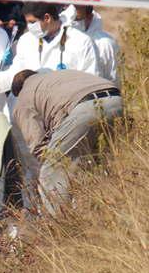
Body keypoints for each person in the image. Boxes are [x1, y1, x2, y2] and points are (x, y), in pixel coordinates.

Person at [11, 69, 123, 215]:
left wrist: (52, 165)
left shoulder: (24, 97)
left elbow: (39, 146)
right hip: (117, 100)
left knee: (50, 171)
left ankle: (59, 229)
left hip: (85, 109)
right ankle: (109, 216)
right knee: (102, 168)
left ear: (17, 90)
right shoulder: (59, 76)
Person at [0, 2, 100, 96]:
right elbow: (17, 72)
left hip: (66, 107)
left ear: (47, 18)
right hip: (32, 106)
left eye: (32, 22)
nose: (29, 27)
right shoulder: (27, 40)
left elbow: (91, 80)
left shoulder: (81, 41)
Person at [62, 4, 120, 84]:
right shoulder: (60, 39)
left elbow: (114, 79)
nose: (71, 23)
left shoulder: (106, 43)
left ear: (90, 17)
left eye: (76, 19)